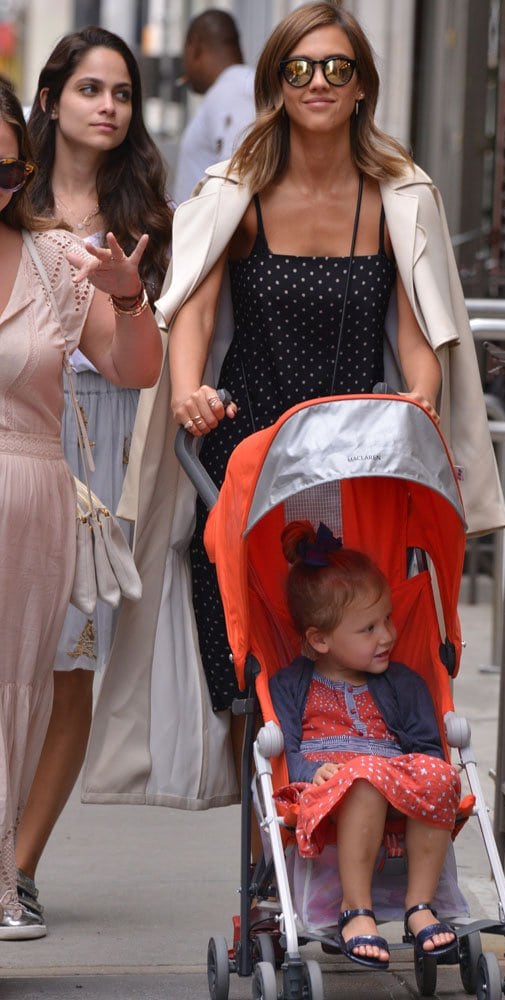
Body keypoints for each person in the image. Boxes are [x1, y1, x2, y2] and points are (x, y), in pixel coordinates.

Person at [80, 1, 505, 815]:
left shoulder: (397, 197)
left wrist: (421, 400)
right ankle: (272, 847)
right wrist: (189, 389)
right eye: (300, 68)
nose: (318, 82)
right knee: (255, 666)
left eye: (337, 69)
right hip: (246, 457)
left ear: (361, 88)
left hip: (352, 459)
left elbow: (421, 325)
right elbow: (194, 310)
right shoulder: (236, 191)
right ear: (275, 83)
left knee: (351, 650)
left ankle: (345, 832)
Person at [14, 27, 172, 927]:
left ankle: (21, 868)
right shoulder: (11, 200)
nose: (107, 105)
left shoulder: (146, 216)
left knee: (70, 664)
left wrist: (126, 290)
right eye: (89, 89)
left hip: (98, 448)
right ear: (50, 99)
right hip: (14, 426)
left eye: (120, 92)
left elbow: (142, 362)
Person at [269, 520, 459, 968]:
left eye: (388, 619)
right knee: (365, 779)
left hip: (395, 779)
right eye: (369, 628)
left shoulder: (403, 683)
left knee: (441, 772)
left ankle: (420, 906)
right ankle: (356, 911)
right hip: (330, 790)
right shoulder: (291, 684)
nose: (388, 636)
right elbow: (287, 749)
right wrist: (306, 772)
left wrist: (424, 776)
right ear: (319, 639)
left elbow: (426, 745)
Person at [173, 9, 255, 204]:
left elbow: (235, 180)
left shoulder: (233, 89)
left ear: (195, 48)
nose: (185, 67)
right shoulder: (237, 86)